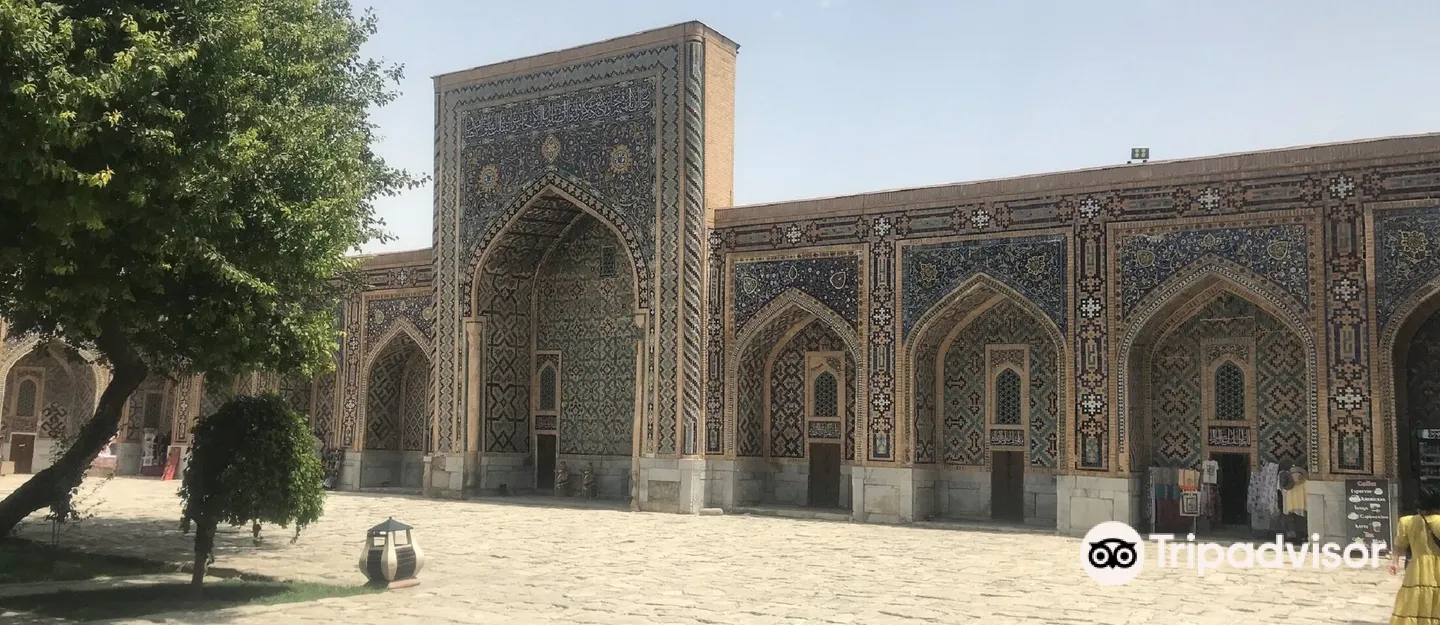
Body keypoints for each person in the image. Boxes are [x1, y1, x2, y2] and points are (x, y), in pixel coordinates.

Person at [1388, 485, 1440, 624]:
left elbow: (1400, 545)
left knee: (1414, 598)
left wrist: (1394, 562)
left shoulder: (1406, 522)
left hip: (1417, 568)